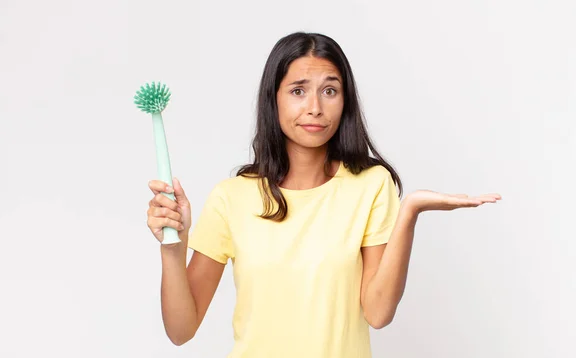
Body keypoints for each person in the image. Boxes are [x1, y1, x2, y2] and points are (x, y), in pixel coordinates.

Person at [146, 32, 501, 358]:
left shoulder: (371, 185)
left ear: (345, 101)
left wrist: (409, 212)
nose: (315, 107)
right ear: (274, 99)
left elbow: (377, 313)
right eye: (298, 90)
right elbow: (181, 330)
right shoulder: (231, 197)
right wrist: (173, 251)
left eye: (329, 90)